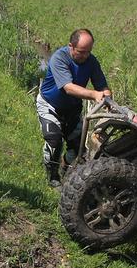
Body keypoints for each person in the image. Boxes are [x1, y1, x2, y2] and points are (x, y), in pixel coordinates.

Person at [37, 29, 111, 187]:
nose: (85, 56)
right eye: (82, 52)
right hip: (50, 105)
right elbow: (68, 88)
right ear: (71, 46)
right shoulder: (59, 58)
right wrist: (94, 94)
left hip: (73, 109)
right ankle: (53, 177)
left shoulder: (91, 61)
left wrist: (107, 98)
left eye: (89, 52)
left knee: (77, 147)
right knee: (54, 140)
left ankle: (67, 170)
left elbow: (102, 85)